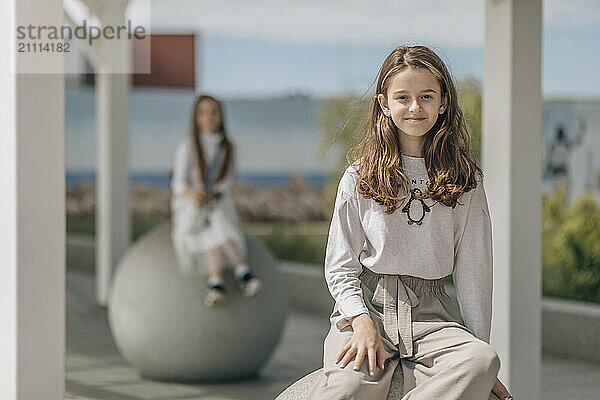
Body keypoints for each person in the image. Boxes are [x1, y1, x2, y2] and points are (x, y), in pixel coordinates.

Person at [307, 46, 514, 400]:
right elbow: (340, 267)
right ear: (384, 104)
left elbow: (473, 272)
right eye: (403, 97)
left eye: (426, 96)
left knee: (482, 360)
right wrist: (360, 322)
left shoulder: (466, 181)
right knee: (344, 391)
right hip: (369, 305)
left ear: (443, 102)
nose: (415, 107)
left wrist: (482, 367)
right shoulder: (360, 177)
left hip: (434, 316)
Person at [170, 95, 262, 307]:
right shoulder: (188, 146)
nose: (209, 117)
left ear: (221, 116)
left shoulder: (228, 147)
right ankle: (242, 271)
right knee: (217, 227)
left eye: (214, 111)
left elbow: (228, 180)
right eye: (203, 112)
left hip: (215, 203)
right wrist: (196, 194)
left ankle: (216, 282)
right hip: (192, 207)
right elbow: (178, 184)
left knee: (215, 227)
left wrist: (214, 194)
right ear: (196, 117)